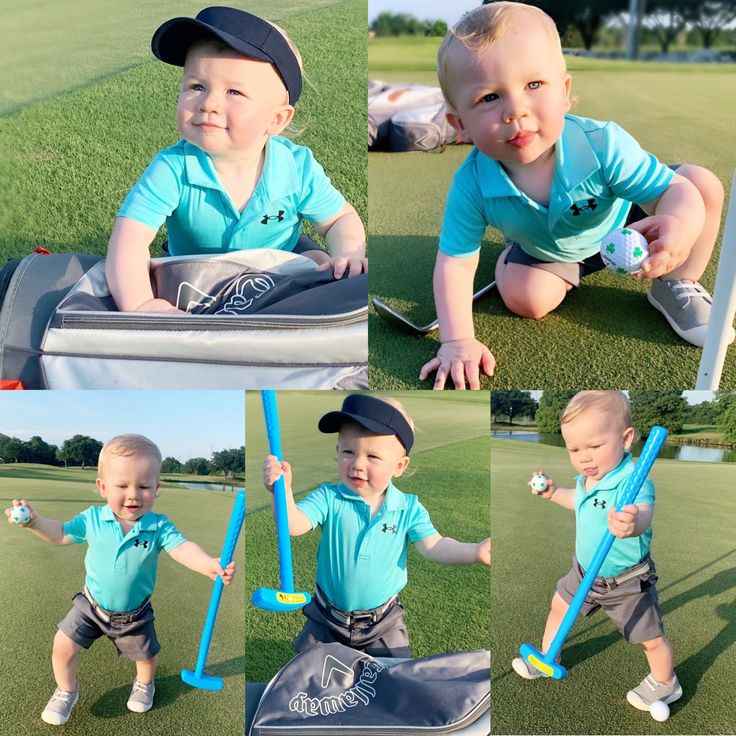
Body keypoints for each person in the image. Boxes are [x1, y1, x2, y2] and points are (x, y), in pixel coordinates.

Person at [420, 2, 726, 389]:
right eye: (489, 98)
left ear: (564, 92)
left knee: (700, 186)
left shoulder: (602, 144)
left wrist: (678, 226)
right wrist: (457, 339)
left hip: (623, 218)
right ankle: (514, 257)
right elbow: (455, 264)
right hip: (551, 248)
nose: (515, 110)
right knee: (526, 301)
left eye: (533, 85)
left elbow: (672, 192)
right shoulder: (472, 184)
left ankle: (675, 284)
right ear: (459, 124)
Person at [106, 6, 366, 313]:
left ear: (277, 119)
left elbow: (339, 219)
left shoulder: (296, 168)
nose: (208, 104)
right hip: (198, 278)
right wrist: (142, 303)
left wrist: (348, 251)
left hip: (276, 270)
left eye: (234, 92)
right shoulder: (173, 169)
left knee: (319, 267)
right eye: (196, 86)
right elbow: (129, 241)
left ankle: (310, 262)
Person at [4, 434, 236, 725]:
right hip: (91, 606)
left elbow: (182, 548)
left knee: (147, 657)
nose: (133, 495)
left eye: (143, 486)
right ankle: (66, 691)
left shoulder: (158, 526)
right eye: (122, 485)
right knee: (62, 646)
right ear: (102, 487)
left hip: (134, 614)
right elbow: (61, 533)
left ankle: (144, 684)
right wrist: (34, 522)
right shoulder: (92, 519)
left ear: (156, 488)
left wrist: (208, 565)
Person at [262, 393, 491, 657]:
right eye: (348, 451)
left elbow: (435, 546)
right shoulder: (329, 497)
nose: (357, 464)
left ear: (400, 466)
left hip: (382, 622)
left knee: (394, 681)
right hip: (326, 618)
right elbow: (293, 524)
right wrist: (282, 491)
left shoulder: (408, 508)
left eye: (373, 456)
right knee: (311, 681)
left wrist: (474, 551)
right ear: (337, 451)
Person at [512, 391, 681, 714]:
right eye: (574, 449)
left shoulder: (633, 480)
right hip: (584, 571)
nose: (584, 457)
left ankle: (665, 681)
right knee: (559, 605)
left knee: (648, 637)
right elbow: (577, 502)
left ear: (626, 438)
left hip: (626, 582)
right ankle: (548, 657)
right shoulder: (588, 480)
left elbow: (643, 513)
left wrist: (632, 523)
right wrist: (551, 493)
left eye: (594, 446)